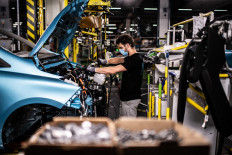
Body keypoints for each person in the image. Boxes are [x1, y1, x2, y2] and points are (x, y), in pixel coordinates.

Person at [87, 34, 143, 117]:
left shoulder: (135, 59)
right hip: (127, 99)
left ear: (127, 45)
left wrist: (94, 69)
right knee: (123, 124)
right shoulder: (131, 57)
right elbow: (119, 59)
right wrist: (106, 61)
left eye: (121, 47)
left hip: (130, 99)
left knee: (128, 126)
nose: (120, 50)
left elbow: (113, 70)